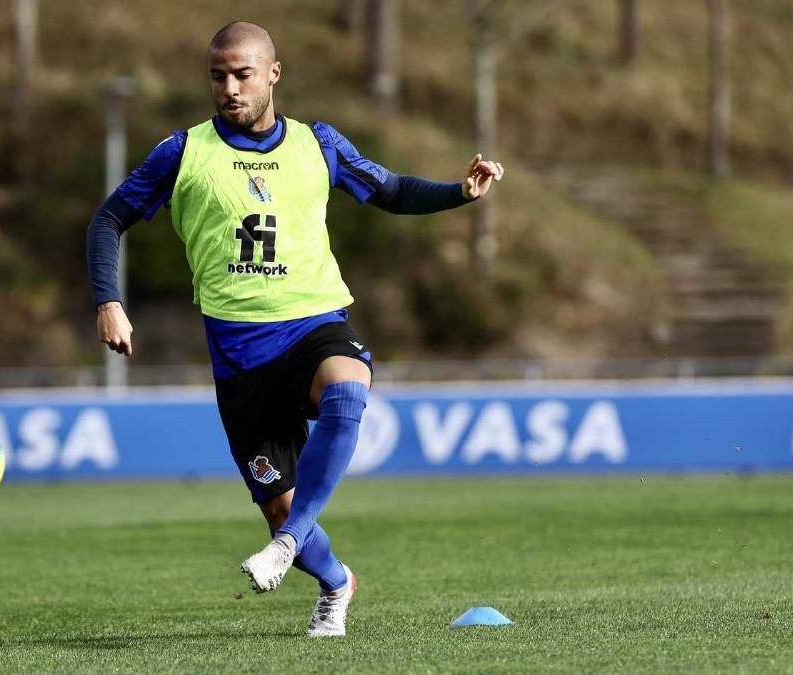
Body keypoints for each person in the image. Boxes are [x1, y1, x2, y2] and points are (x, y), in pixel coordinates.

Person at [86, 21, 502, 636]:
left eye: (242, 74)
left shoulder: (319, 144)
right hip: (240, 357)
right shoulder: (183, 152)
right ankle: (335, 582)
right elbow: (107, 220)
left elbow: (388, 189)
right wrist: (107, 301)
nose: (229, 88)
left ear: (273, 74)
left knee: (348, 385)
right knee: (278, 502)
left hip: (313, 323)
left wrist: (457, 193)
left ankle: (286, 545)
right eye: (218, 76)